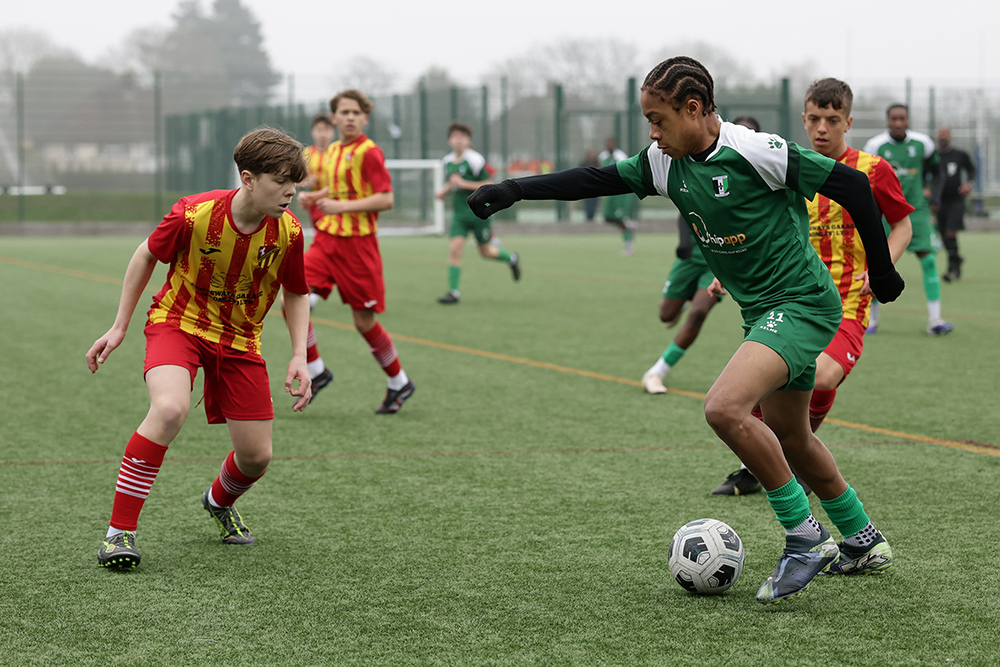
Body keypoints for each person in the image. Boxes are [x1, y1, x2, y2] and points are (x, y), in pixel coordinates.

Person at [468, 56, 905, 604]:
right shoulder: (662, 161)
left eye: (658, 119)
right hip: (761, 310)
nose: (652, 133)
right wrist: (513, 189)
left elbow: (853, 187)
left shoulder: (755, 150)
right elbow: (593, 179)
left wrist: (884, 270)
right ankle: (863, 540)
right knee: (792, 435)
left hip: (802, 304)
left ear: (693, 108)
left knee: (724, 408)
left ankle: (803, 537)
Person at [88, 128, 314, 570]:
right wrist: (119, 326)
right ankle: (119, 534)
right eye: (281, 181)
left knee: (257, 456)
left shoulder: (289, 231)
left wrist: (299, 355)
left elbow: (296, 291)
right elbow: (145, 255)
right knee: (170, 409)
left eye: (295, 183)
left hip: (240, 340)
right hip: (179, 324)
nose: (291, 192)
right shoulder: (194, 213)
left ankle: (217, 500)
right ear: (248, 178)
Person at [713, 78, 913, 497]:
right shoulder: (783, 163)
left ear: (848, 122)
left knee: (822, 375)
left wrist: (882, 267)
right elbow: (758, 228)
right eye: (815, 119)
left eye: (833, 120)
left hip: (848, 302)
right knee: (756, 394)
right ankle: (770, 463)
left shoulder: (872, 170)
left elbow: (902, 225)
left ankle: (792, 458)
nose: (823, 128)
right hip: (789, 299)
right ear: (804, 119)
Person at [296, 89, 415, 414]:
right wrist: (316, 198)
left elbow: (386, 198)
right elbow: (336, 190)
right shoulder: (333, 150)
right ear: (333, 118)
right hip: (326, 242)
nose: (350, 117)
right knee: (294, 301)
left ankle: (399, 381)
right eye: (344, 112)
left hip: (358, 248)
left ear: (365, 118)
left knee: (363, 321)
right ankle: (317, 371)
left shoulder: (369, 152)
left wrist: (338, 206)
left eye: (356, 113)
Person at [641, 116, 759, 395]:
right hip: (692, 254)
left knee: (698, 313)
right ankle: (682, 300)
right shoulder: (705, 165)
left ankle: (656, 372)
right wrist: (684, 243)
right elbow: (687, 207)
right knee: (666, 314)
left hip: (721, 260)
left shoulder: (760, 176)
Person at [864, 105, 953, 335]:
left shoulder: (923, 144)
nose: (898, 123)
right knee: (876, 264)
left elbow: (938, 171)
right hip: (884, 214)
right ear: (887, 120)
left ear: (908, 119)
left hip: (917, 211)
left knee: (929, 261)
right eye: (893, 118)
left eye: (902, 118)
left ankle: (935, 321)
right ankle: (871, 321)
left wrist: (934, 196)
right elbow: (865, 178)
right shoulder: (875, 146)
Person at [435, 121, 520, 305]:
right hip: (459, 215)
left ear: (468, 141)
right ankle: (454, 293)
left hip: (479, 212)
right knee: (455, 249)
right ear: (449, 140)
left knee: (486, 252)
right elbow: (454, 181)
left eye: (462, 137)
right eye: (455, 137)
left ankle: (512, 259)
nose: (458, 140)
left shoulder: (475, 160)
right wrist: (444, 191)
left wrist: (464, 184)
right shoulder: (447, 161)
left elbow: (489, 184)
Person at [930, 126, 976, 281]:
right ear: (937, 137)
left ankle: (951, 270)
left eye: (946, 134)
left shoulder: (959, 155)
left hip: (956, 200)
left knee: (951, 233)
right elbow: (925, 174)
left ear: (950, 136)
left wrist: (968, 184)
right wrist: (926, 189)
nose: (943, 137)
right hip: (938, 201)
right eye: (940, 134)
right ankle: (956, 258)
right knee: (943, 236)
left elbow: (971, 170)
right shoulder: (933, 156)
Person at [598, 137, 639, 255]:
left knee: (621, 218)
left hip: (620, 193)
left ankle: (629, 246)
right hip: (610, 193)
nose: (608, 145)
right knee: (607, 217)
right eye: (607, 143)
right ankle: (630, 225)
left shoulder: (621, 156)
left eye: (611, 143)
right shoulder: (603, 157)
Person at [300, 113, 336, 225]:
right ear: (313, 132)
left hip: (335, 201)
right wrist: (305, 182)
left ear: (333, 132)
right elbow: (296, 180)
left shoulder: (338, 153)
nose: (322, 134)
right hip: (314, 204)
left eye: (326, 130)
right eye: (319, 130)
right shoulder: (306, 154)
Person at [579, 149, 601, 221]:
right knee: (588, 204)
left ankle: (592, 218)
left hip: (596, 189)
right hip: (586, 188)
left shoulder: (598, 164)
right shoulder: (583, 164)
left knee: (594, 205)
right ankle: (588, 218)